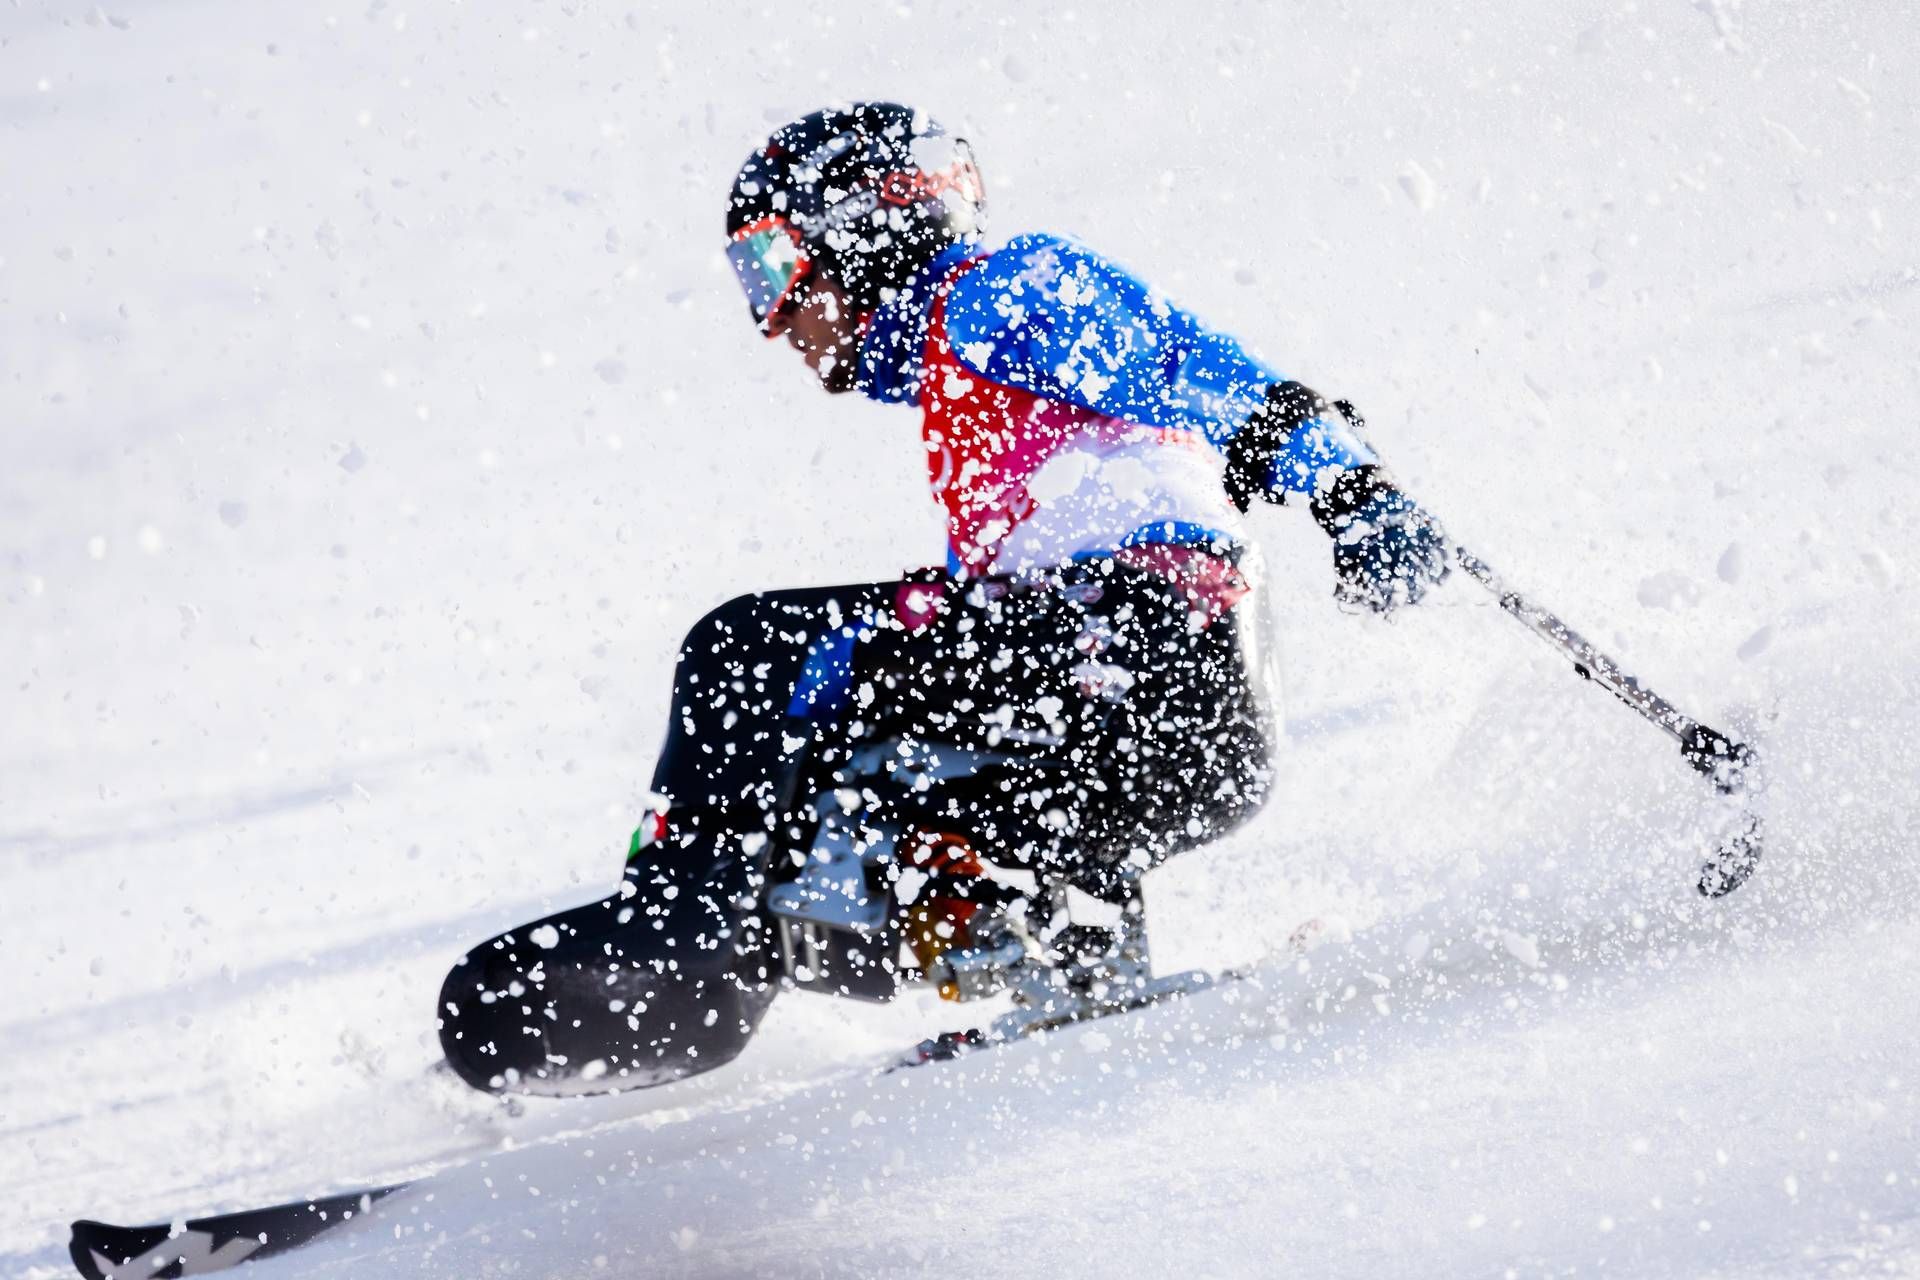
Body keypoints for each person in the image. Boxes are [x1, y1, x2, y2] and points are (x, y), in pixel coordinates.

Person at [436, 101, 1454, 1094]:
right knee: (855, 793)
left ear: (866, 225)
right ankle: (1059, 966)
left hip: (1146, 652)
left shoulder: (999, 293)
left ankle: (690, 925)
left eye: (773, 264)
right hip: (1138, 713)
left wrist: (1346, 482)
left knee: (747, 650)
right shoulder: (964, 375)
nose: (772, 317)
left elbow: (1187, 361)